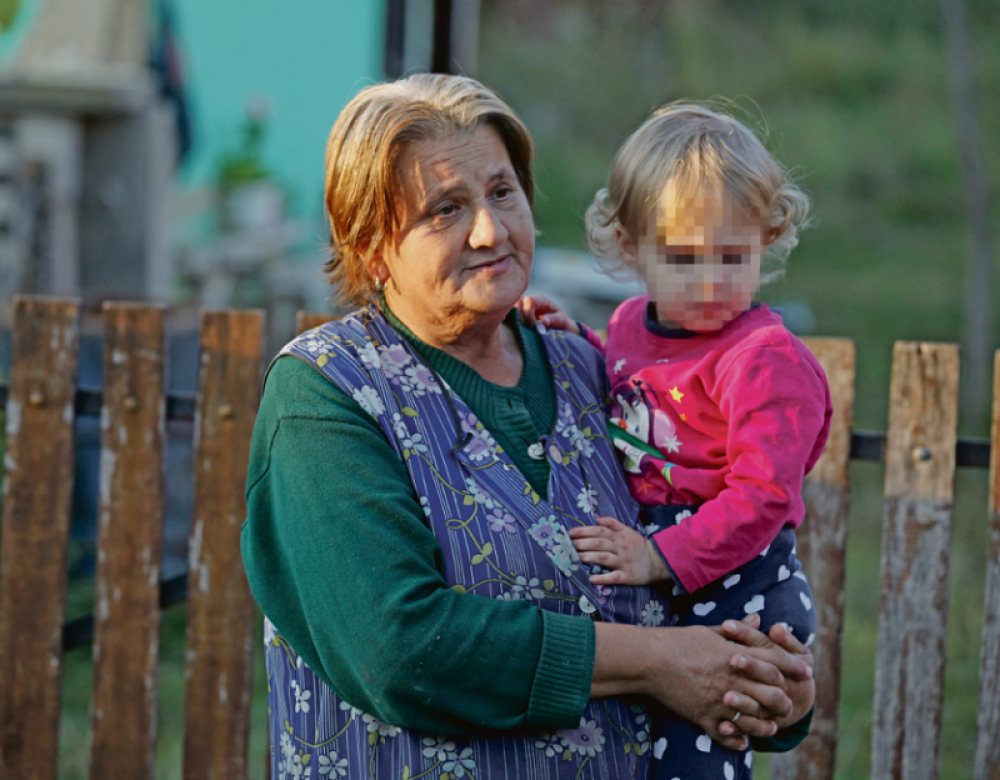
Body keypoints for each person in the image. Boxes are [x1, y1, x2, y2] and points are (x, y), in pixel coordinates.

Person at [241, 76, 816, 780]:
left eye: (502, 193)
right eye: (445, 209)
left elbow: (698, 578)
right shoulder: (327, 394)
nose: (490, 230)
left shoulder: (590, 371)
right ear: (371, 246)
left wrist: (773, 687)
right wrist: (661, 664)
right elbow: (398, 649)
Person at [521, 103, 831, 778]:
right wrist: (577, 343)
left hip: (737, 581)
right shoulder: (636, 321)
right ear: (631, 248)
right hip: (664, 566)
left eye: (733, 255)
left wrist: (659, 556)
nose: (713, 281)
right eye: (685, 259)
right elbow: (642, 389)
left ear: (767, 237)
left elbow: (761, 498)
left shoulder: (764, 360)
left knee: (695, 757)